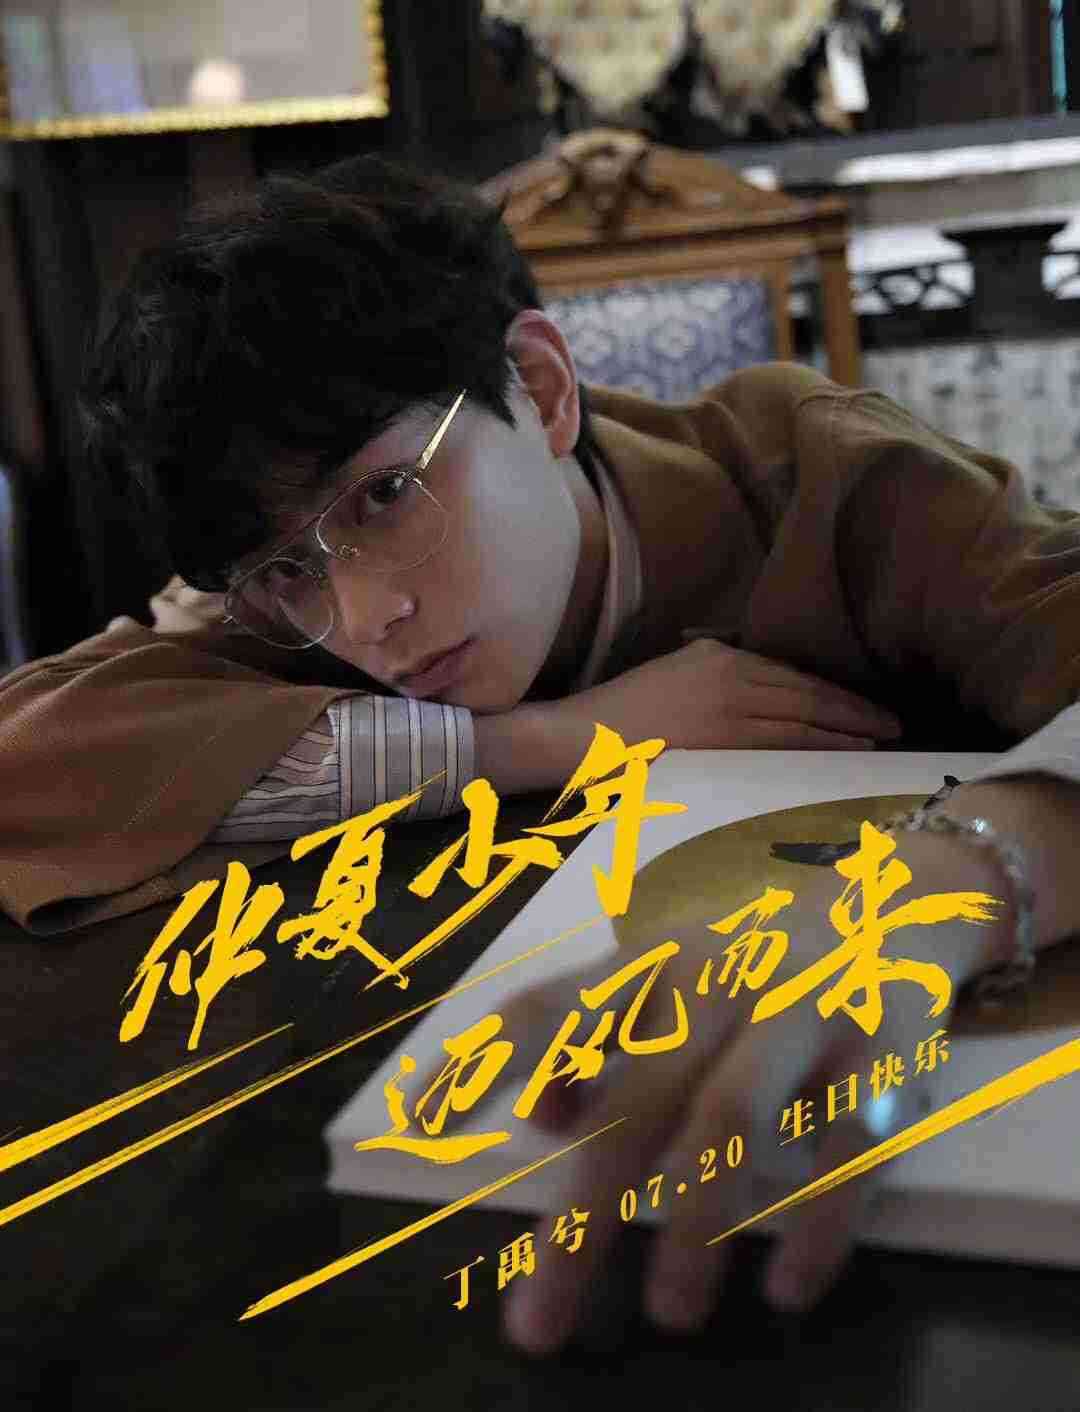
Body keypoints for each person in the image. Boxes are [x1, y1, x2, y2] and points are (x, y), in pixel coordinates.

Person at [3, 154, 1080, 1351]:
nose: (367, 620)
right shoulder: (287, 602)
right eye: (290, 569)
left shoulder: (828, 479)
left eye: (386, 496)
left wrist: (946, 879)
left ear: (543, 388)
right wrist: (547, 739)